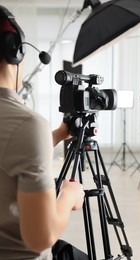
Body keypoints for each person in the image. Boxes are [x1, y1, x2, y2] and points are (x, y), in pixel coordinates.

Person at [0, 5, 85, 260]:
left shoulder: (22, 129)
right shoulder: (26, 124)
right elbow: (41, 237)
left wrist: (57, 134)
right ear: (16, 51)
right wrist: (69, 196)